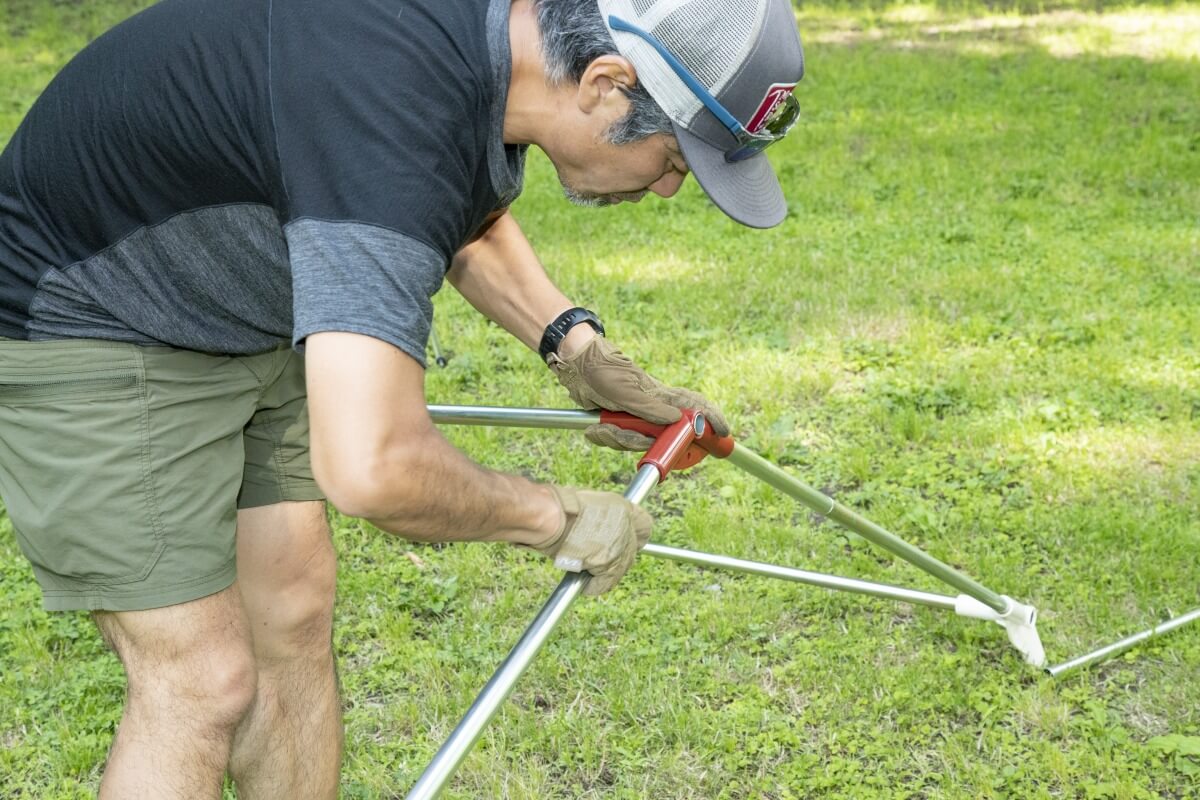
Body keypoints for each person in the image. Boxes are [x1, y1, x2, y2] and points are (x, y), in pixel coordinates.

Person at [0, 0, 803, 794]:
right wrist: (556, 518)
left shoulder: (488, 43)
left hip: (241, 301)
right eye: (674, 161)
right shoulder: (389, 112)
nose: (667, 190)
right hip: (86, 316)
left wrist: (578, 349)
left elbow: (452, 211)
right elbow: (372, 467)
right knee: (201, 681)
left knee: (294, 614)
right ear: (603, 84)